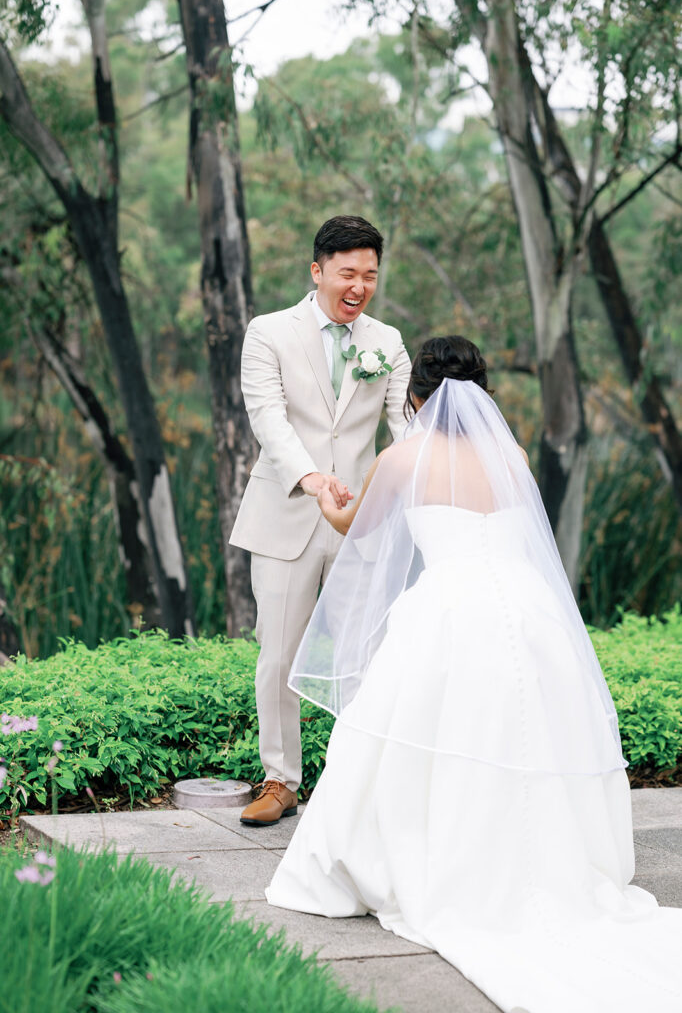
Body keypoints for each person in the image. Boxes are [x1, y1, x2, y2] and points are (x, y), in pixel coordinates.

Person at [266, 336, 682, 1013]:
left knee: (435, 736)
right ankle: (542, 865)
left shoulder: (402, 457)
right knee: (527, 736)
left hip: (452, 612)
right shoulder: (511, 455)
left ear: (417, 398)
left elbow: (355, 528)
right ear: (483, 393)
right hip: (528, 612)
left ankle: (448, 863)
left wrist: (328, 500)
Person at [230, 215, 412, 827]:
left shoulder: (387, 342)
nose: (359, 285)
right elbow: (267, 415)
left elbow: (404, 428)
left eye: (370, 275)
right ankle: (280, 780)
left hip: (361, 520)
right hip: (285, 514)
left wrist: (410, 488)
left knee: (367, 654)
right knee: (278, 655)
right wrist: (309, 477)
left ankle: (357, 782)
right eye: (348, 273)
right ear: (318, 271)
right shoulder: (268, 332)